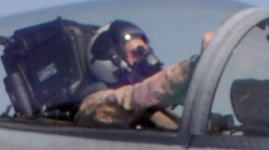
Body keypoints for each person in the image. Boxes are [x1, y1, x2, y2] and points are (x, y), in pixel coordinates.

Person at [75, 20, 211, 129]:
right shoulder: (93, 106)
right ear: (110, 59)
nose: (148, 60)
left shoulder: (153, 108)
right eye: (137, 53)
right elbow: (136, 97)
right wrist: (193, 67)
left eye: (147, 52)